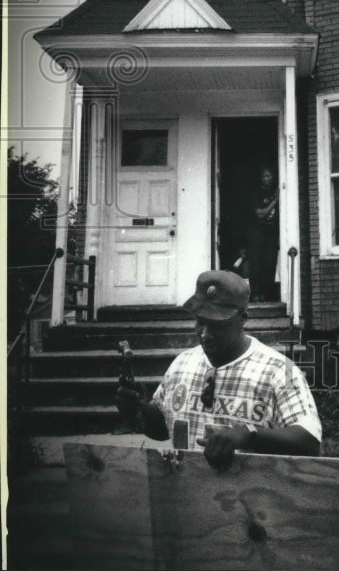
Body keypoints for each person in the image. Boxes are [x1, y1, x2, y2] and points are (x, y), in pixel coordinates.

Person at [115, 270, 321, 469]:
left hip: (250, 499)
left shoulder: (279, 370)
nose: (205, 334)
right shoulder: (182, 364)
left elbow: (309, 441)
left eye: (217, 325)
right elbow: (162, 430)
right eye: (200, 322)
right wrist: (139, 407)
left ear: (243, 319)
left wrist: (249, 434)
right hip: (185, 495)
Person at [246, 168, 279, 302]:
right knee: (256, 263)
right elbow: (260, 213)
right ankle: (255, 294)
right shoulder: (257, 193)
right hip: (257, 232)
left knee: (270, 263)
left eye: (269, 176)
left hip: (271, 232)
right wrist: (275, 201)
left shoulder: (275, 192)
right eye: (265, 176)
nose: (267, 178)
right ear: (261, 178)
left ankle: (266, 295)